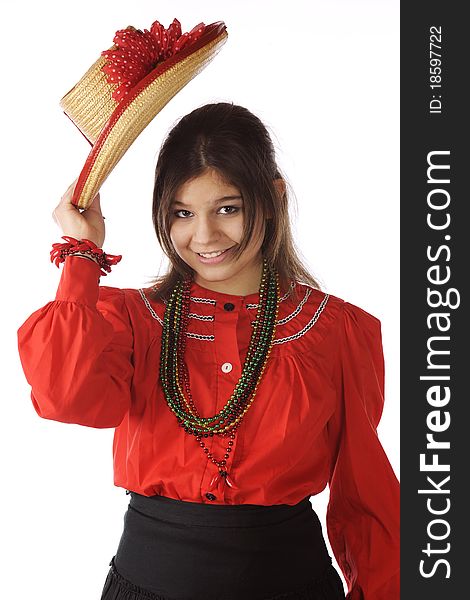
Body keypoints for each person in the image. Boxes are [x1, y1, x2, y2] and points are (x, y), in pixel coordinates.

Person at [17, 102, 399, 599]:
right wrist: (81, 255)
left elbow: (365, 498)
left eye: (227, 208)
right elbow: (66, 397)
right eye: (182, 213)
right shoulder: (130, 321)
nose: (204, 236)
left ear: (272, 199)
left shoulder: (338, 330)